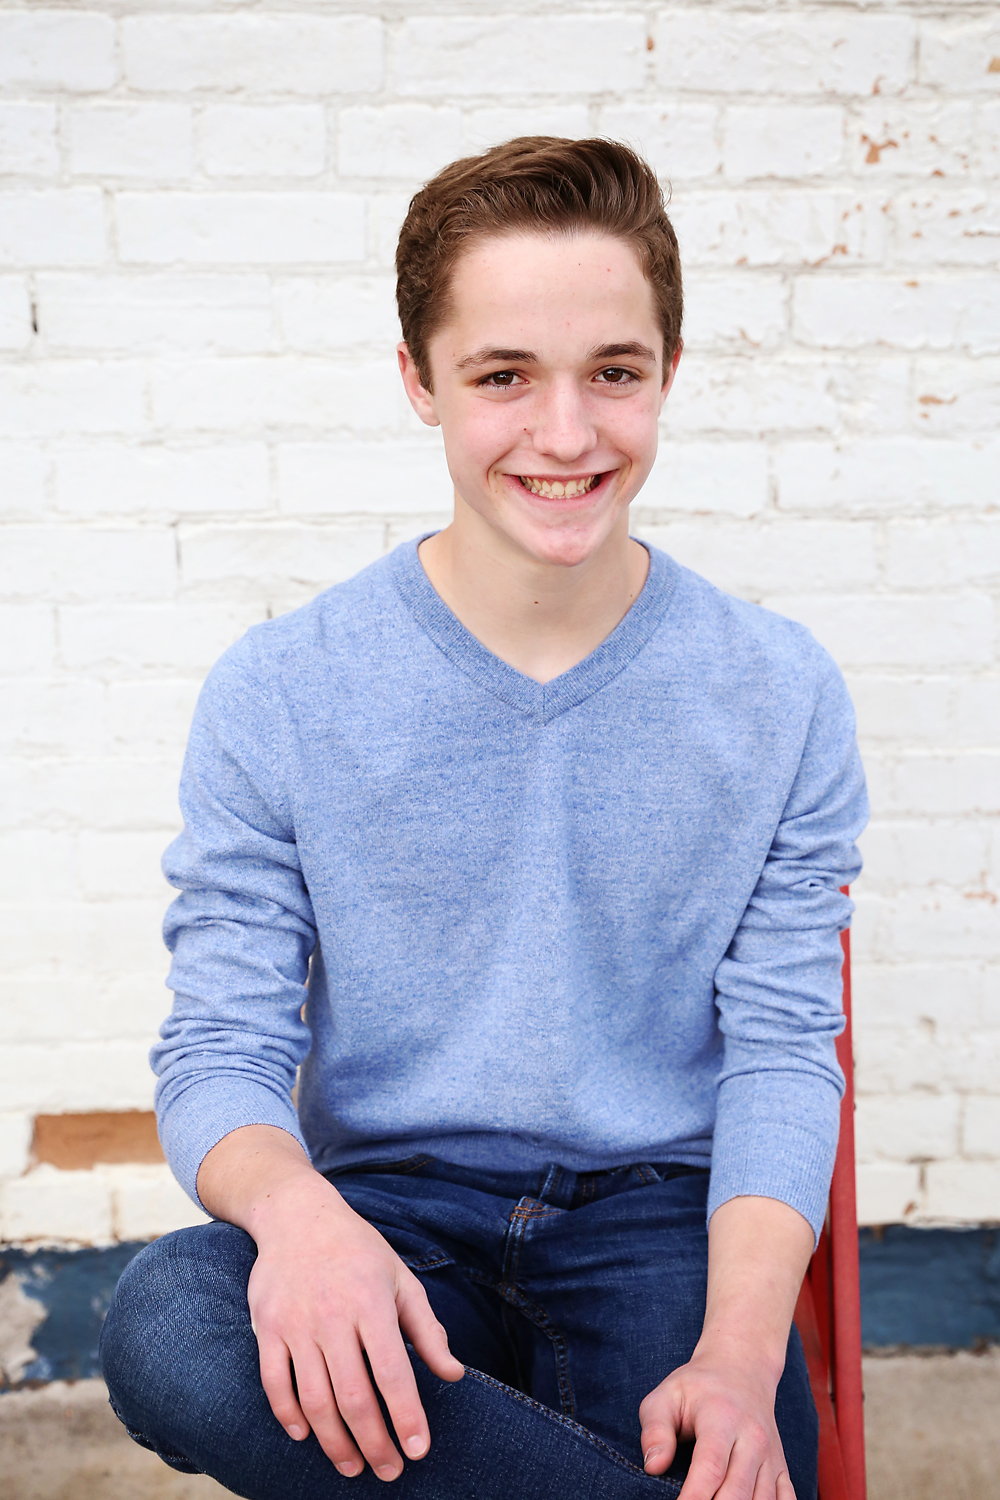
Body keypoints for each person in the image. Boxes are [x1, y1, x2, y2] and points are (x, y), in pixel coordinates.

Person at [100, 137, 867, 1500]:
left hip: (657, 1219)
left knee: (734, 1438)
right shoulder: (282, 689)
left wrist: (742, 1357)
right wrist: (299, 1220)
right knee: (174, 1324)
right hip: (387, 1209)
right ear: (419, 382)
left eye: (614, 374)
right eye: (504, 375)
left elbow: (782, 1053)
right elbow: (220, 1045)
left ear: (669, 375)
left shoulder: (778, 690)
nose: (566, 434)